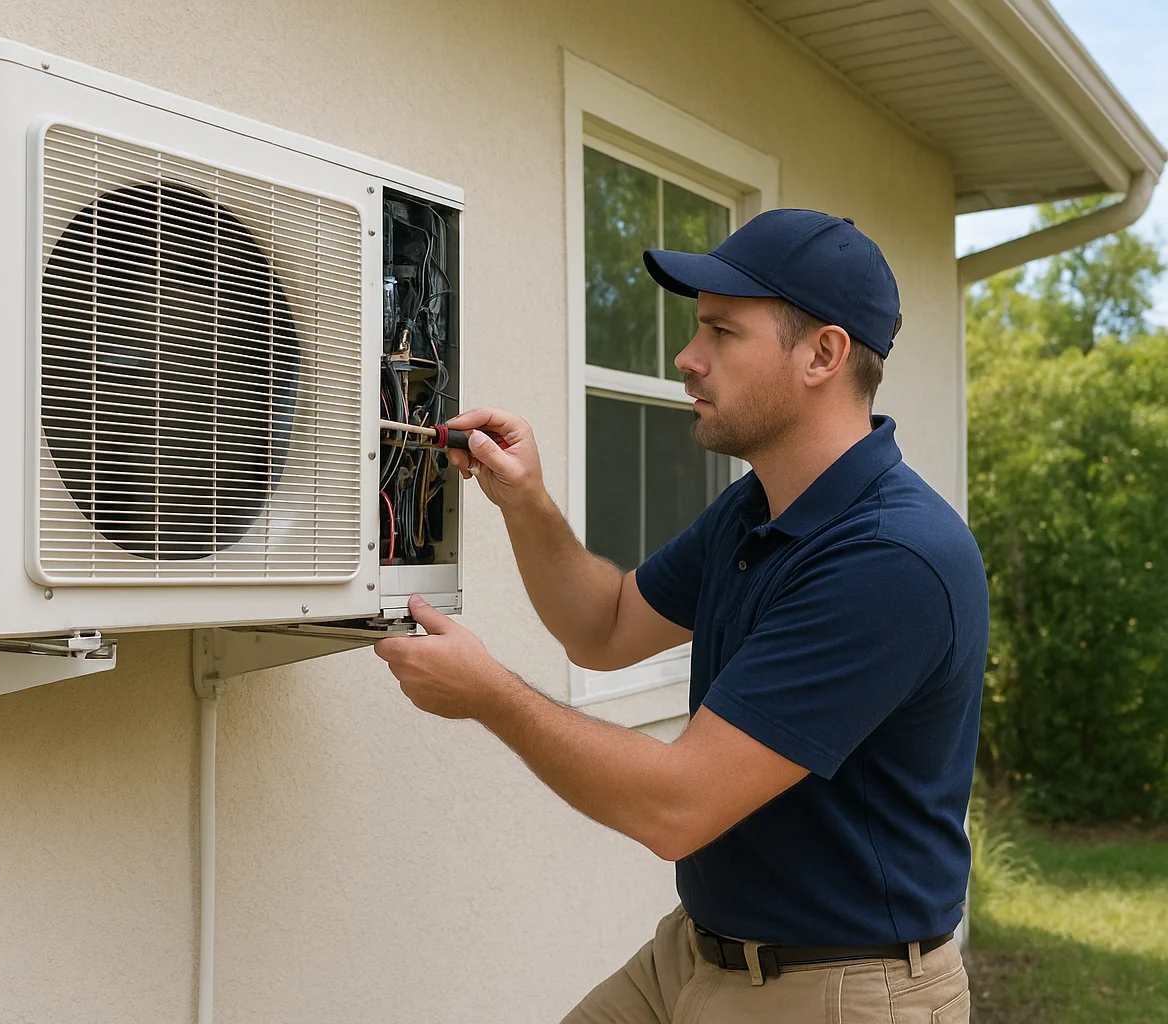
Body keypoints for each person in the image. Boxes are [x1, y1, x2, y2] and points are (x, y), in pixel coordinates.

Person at [374, 208, 988, 1023]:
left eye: (722, 332)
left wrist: (487, 693)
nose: (687, 359)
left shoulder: (891, 560)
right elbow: (607, 626)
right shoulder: (758, 507)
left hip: (838, 990)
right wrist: (525, 500)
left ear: (824, 354)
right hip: (694, 953)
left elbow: (677, 805)